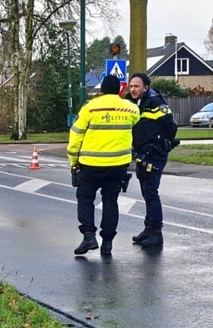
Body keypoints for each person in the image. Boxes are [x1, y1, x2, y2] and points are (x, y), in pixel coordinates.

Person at [68, 75, 139, 256]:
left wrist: (73, 161)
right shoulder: (132, 109)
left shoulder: (90, 108)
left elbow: (76, 135)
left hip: (90, 165)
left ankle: (89, 236)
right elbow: (136, 130)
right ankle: (107, 242)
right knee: (110, 202)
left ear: (102, 90)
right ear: (119, 90)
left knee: (85, 199)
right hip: (118, 166)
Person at [126, 73, 177, 248]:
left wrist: (163, 143)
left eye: (136, 86)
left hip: (155, 152)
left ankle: (156, 232)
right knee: (146, 191)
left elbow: (171, 124)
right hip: (142, 152)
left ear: (145, 87)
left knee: (151, 192)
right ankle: (148, 229)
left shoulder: (155, 102)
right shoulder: (132, 103)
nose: (133, 89)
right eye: (131, 86)